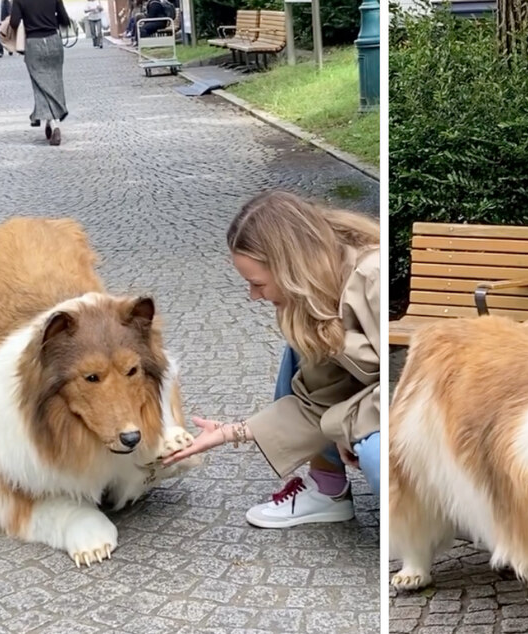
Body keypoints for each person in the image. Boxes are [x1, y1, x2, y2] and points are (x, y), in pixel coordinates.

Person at [163, 191, 381, 529]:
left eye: (257, 283)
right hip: (369, 405)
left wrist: (348, 425)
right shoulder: (310, 302)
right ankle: (327, 489)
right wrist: (229, 433)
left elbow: (408, 384)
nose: (253, 296)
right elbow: (316, 402)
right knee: (301, 349)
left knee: (377, 454)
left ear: (291, 267)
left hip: (412, 409)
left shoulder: (372, 277)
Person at [9, 0, 71, 146]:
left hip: (34, 42)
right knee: (55, 82)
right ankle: (49, 121)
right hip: (54, 41)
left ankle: (54, 123)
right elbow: (64, 19)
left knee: (40, 85)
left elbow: (14, 22)